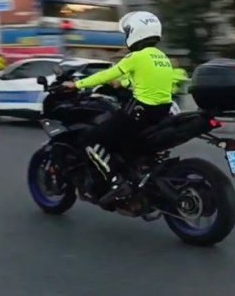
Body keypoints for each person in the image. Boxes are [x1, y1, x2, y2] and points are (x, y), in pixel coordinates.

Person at [61, 11, 174, 207]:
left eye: (128, 31)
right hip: (161, 113)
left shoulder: (136, 56)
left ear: (136, 32)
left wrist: (77, 85)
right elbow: (145, 80)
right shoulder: (162, 57)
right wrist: (122, 83)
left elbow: (107, 74)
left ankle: (115, 180)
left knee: (91, 139)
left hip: (139, 113)